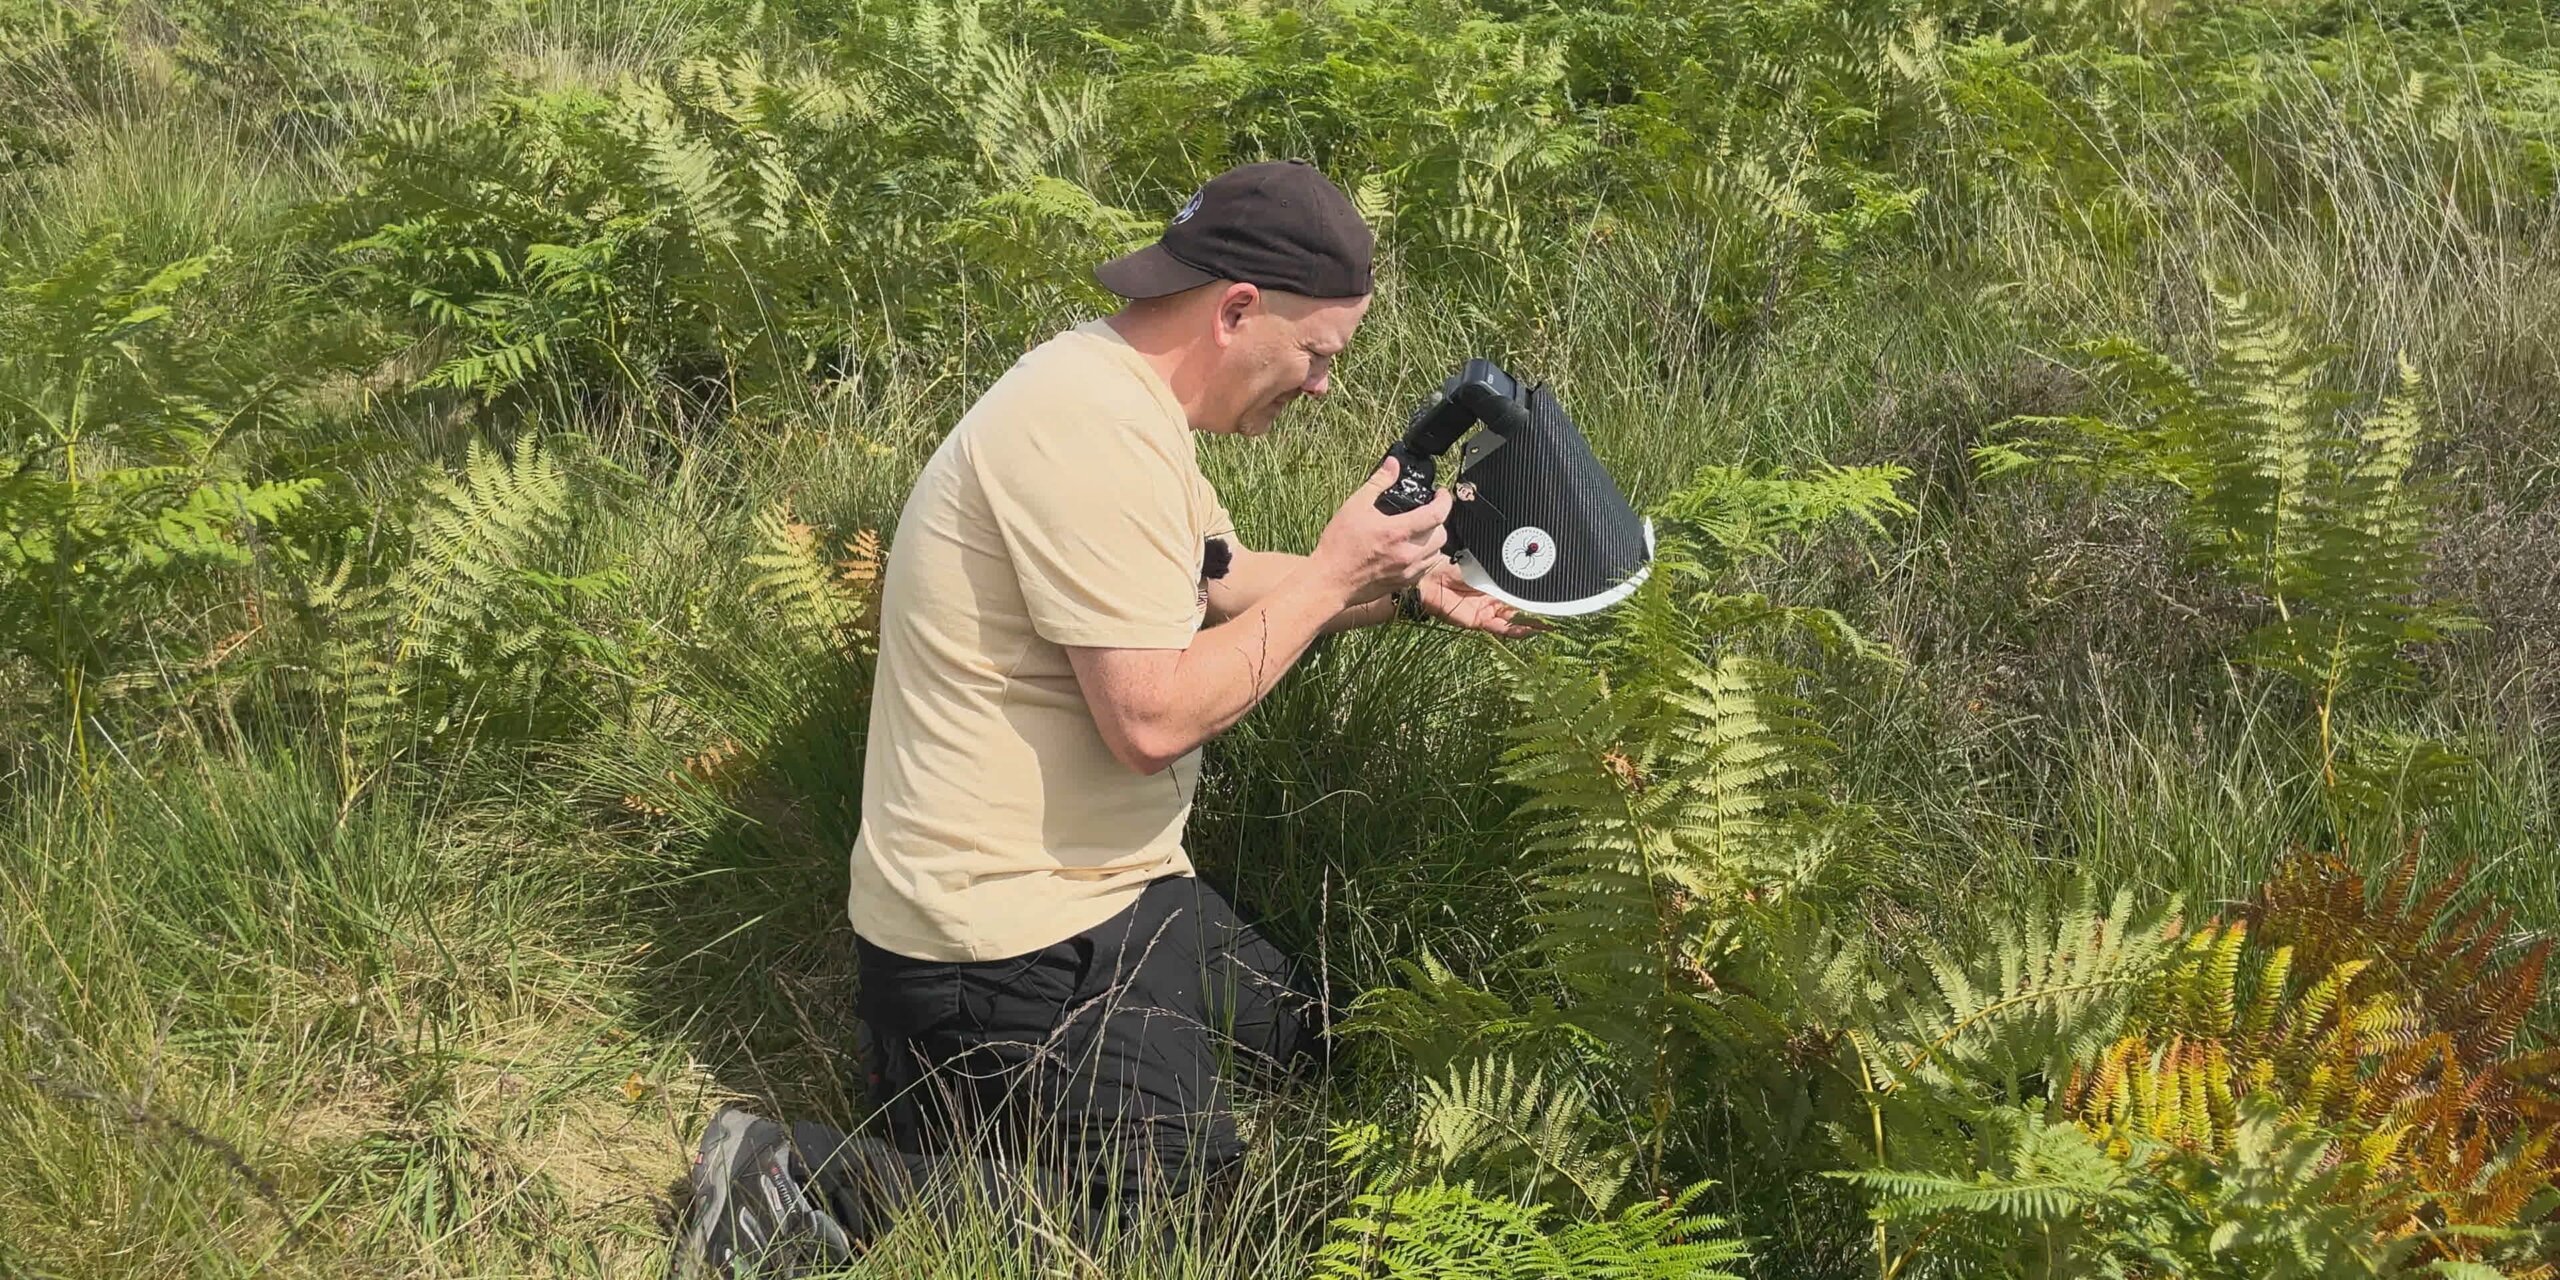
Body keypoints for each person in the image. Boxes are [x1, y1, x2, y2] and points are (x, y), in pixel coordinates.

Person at [678, 161, 1535, 1271]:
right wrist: (1332, 574)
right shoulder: (1080, 428)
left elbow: (1219, 579)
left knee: (1338, 1041)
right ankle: (793, 1175)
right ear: (1235, 311)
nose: (1323, 386)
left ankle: (960, 1119)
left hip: (1117, 889)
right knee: (1189, 1229)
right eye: (1319, 354)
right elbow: (1150, 720)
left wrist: (1407, 589)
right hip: (993, 945)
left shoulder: (1124, 402)